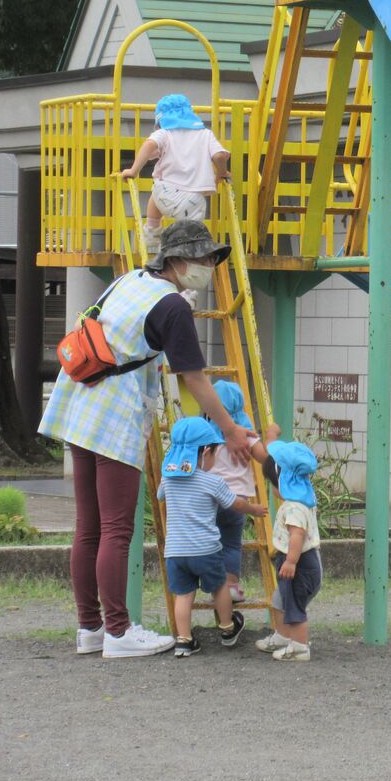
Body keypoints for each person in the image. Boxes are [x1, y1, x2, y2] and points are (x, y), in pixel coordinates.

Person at [40, 220, 256, 659]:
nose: (209, 266)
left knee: (89, 526)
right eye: (203, 258)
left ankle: (91, 629)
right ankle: (119, 633)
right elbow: (194, 378)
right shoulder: (171, 305)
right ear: (178, 260)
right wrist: (230, 430)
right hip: (115, 412)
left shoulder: (130, 279)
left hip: (79, 398)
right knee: (116, 528)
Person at [159, 417, 268, 658]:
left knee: (183, 595)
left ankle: (184, 640)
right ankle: (227, 628)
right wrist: (254, 509)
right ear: (206, 451)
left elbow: (160, 496)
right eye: (215, 454)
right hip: (206, 550)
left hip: (176, 552)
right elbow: (235, 503)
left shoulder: (168, 478)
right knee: (219, 587)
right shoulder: (212, 481)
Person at [119, 93, 230, 258]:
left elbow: (149, 145)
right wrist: (221, 173)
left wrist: (133, 170)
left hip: (166, 194)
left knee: (156, 192)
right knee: (191, 235)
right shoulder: (205, 134)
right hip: (194, 201)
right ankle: (188, 257)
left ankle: (152, 233)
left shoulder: (165, 133)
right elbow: (219, 156)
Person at [205, 380, 280, 604]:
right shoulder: (246, 434)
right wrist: (270, 437)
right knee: (231, 543)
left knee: (209, 540)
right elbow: (265, 458)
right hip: (238, 499)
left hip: (210, 497)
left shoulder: (205, 433)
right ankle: (231, 586)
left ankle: (213, 584)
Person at [254, 441, 322, 662]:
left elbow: (297, 535)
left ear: (284, 480)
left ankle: (299, 648)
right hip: (296, 562)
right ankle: (283, 637)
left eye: (272, 483)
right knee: (280, 600)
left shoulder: (295, 507)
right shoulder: (301, 500)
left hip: (300, 564)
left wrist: (291, 561)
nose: (272, 489)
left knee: (293, 605)